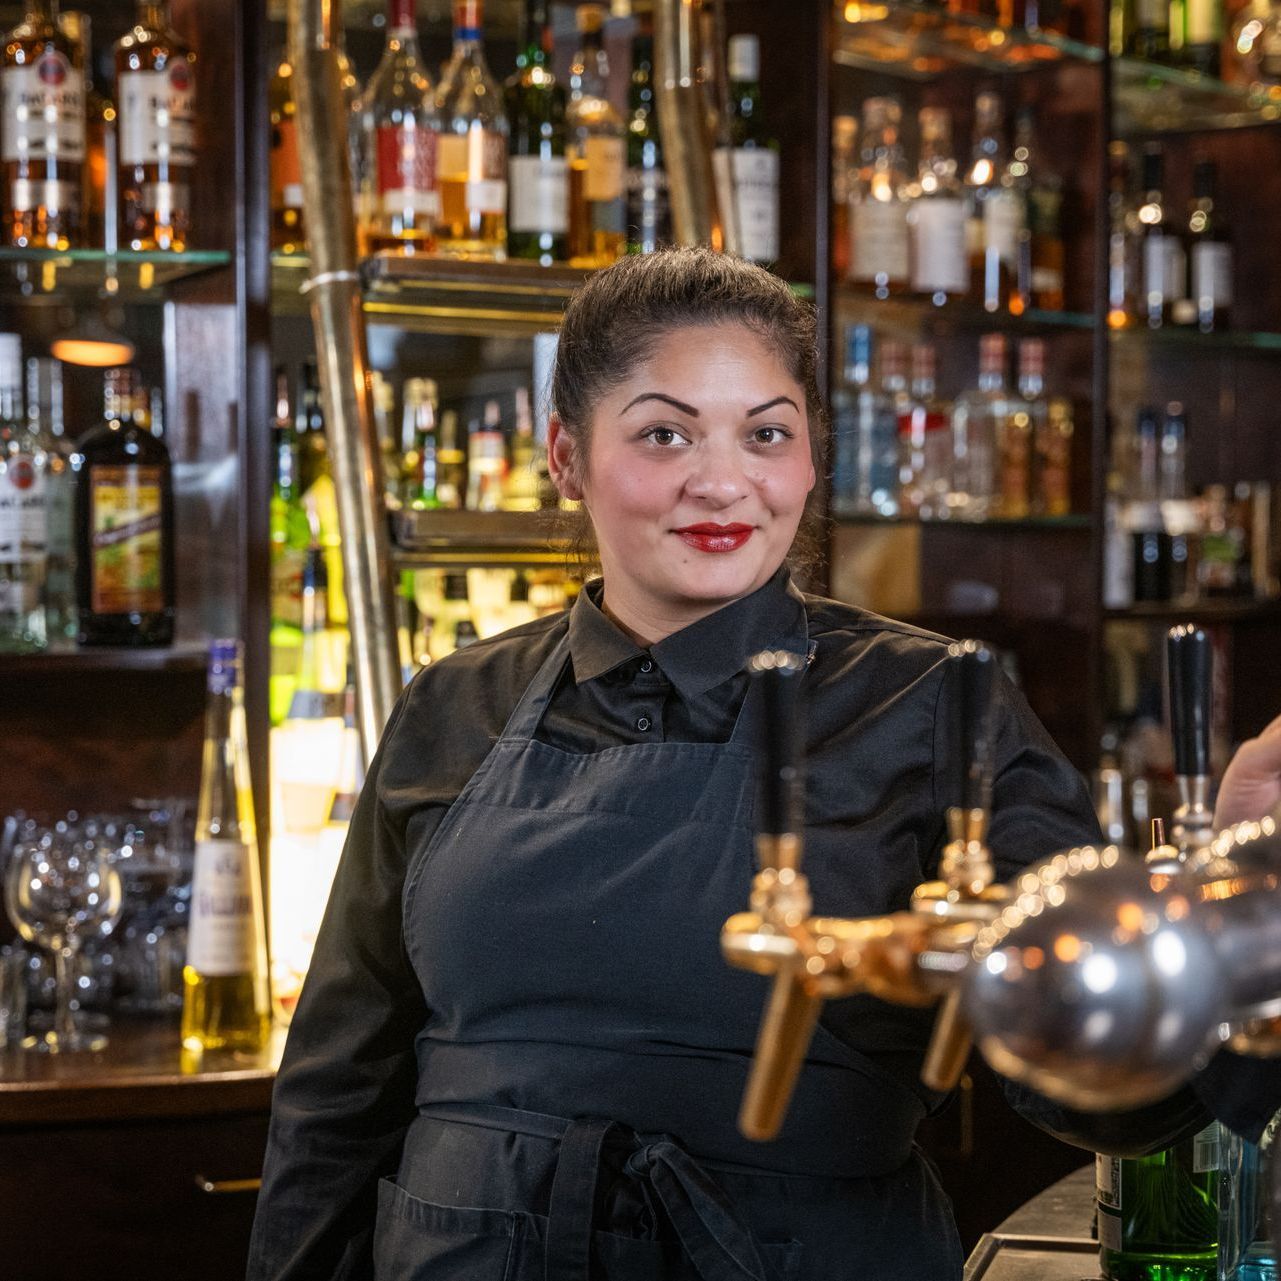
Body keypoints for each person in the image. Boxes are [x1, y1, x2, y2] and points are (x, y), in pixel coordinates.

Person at [246, 249, 1242, 1281]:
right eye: (664, 433)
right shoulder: (453, 705)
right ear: (566, 457)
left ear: (812, 463)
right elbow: (334, 1093)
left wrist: (1225, 942)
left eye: (767, 434)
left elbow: (1091, 1068)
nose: (722, 482)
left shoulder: (936, 703)